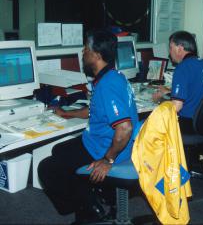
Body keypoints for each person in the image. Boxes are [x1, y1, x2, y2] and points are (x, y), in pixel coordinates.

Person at [38, 29, 138, 224]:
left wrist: (107, 160)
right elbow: (96, 110)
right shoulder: (114, 77)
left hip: (105, 149)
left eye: (85, 49)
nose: (82, 53)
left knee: (47, 168)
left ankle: (90, 208)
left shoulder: (107, 85)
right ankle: (91, 192)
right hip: (104, 141)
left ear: (97, 55)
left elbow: (124, 128)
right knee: (59, 149)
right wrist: (68, 113)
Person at [153, 31, 203, 135]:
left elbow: (176, 107)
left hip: (187, 124)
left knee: (148, 125)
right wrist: (169, 92)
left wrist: (159, 99)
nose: (169, 52)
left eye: (170, 47)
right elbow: (196, 89)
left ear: (179, 48)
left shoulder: (182, 68)